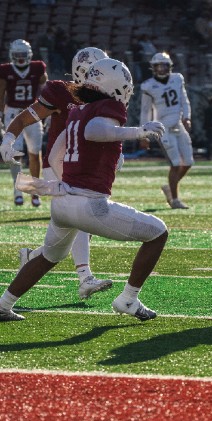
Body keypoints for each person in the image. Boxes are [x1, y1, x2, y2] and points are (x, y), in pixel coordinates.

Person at [0, 58, 168, 322]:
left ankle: (3, 304)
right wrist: (139, 132)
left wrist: (69, 179)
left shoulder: (78, 110)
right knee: (158, 233)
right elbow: (95, 131)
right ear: (117, 85)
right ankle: (128, 298)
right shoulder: (106, 106)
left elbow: (57, 152)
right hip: (89, 204)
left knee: (48, 256)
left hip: (63, 200)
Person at [1, 46, 113, 298]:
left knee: (61, 244)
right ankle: (85, 277)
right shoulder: (61, 92)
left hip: (83, 166)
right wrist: (8, 138)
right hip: (59, 165)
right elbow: (25, 118)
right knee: (83, 216)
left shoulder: (105, 97)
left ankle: (31, 257)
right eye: (99, 72)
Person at [140, 52, 193, 209]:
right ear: (153, 67)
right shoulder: (148, 86)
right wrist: (144, 134)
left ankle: (169, 188)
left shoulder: (177, 79)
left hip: (179, 124)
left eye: (164, 65)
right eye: (159, 65)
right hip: (163, 128)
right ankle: (175, 200)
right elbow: (145, 111)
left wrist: (187, 117)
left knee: (189, 162)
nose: (162, 69)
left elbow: (184, 100)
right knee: (175, 164)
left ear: (169, 66)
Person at [0, 39, 48, 207]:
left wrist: (47, 111)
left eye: (23, 55)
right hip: (12, 113)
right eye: (17, 55)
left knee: (35, 153)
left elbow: (46, 90)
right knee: (15, 153)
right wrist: (0, 115)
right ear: (12, 56)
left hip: (33, 112)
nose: (20, 58)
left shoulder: (38, 68)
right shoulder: (6, 70)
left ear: (29, 55)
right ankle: (18, 190)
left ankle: (35, 191)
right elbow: (1, 94)